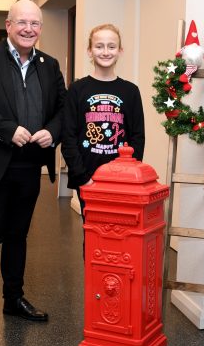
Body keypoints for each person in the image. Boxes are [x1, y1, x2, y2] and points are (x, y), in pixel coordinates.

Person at [0, 0, 66, 342]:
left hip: (29, 165)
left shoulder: (49, 65)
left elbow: (64, 109)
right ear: (8, 25)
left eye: (35, 24)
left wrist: (54, 130)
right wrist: (7, 129)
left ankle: (13, 299)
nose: (28, 29)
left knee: (19, 236)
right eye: (22, 22)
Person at [61, 24, 145, 219]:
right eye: (99, 46)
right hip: (87, 177)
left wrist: (129, 175)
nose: (105, 52)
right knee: (92, 234)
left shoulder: (131, 91)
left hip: (121, 178)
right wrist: (83, 178)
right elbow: (69, 137)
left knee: (120, 232)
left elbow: (138, 137)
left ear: (120, 51)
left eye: (111, 46)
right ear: (90, 51)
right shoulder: (76, 89)